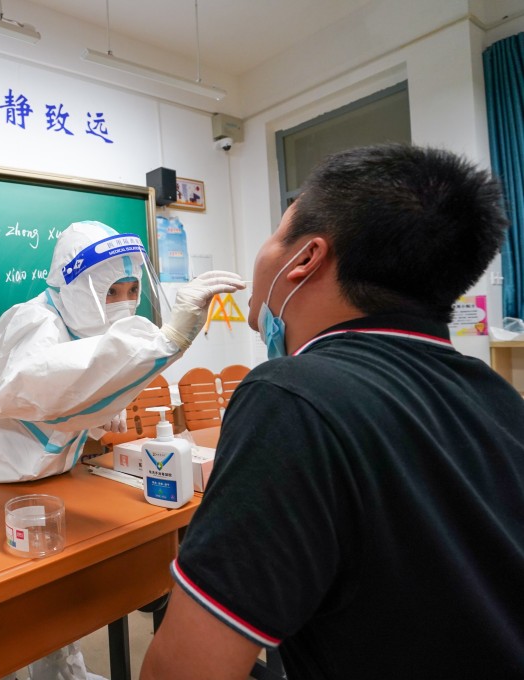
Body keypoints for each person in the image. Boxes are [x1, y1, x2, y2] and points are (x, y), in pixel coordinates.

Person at [141, 144, 524, 679]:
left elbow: (182, 672)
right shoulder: (498, 395)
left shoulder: (291, 395)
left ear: (305, 258)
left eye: (276, 234)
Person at [0, 220, 245, 487]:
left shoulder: (79, 327)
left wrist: (94, 411)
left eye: (132, 290)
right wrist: (166, 340)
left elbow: (73, 384)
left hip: (50, 479)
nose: (125, 303)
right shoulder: (34, 321)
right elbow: (36, 386)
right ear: (74, 288)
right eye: (111, 291)